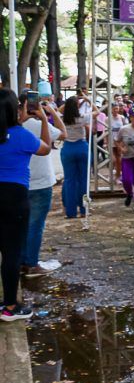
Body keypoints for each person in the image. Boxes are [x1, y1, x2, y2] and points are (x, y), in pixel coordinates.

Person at [0, 88, 51, 321]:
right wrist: (42, 120)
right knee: (12, 253)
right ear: (15, 110)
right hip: (15, 196)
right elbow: (46, 149)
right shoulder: (21, 135)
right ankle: (10, 307)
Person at [19, 95, 64, 278]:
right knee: (36, 225)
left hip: (19, 182)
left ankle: (22, 260)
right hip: (41, 182)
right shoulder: (39, 125)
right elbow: (62, 134)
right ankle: (31, 263)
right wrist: (48, 114)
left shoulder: (11, 128)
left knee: (21, 225)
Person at [60, 96, 91, 218]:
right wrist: (87, 100)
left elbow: (58, 109)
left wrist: (68, 104)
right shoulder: (82, 118)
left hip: (68, 148)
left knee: (69, 181)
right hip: (82, 147)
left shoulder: (62, 118)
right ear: (77, 106)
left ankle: (70, 212)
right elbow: (97, 111)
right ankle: (84, 210)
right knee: (83, 180)